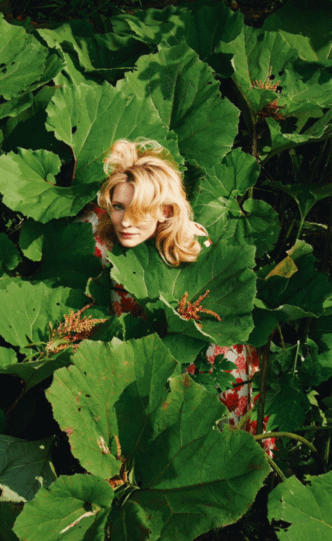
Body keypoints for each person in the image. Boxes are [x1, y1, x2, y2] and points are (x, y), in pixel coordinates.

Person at [78, 139, 275, 454]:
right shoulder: (109, 240)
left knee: (211, 448)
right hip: (141, 362)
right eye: (118, 206)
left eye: (140, 209)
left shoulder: (190, 241)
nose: (126, 221)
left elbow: (215, 332)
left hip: (207, 363)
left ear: (165, 210)